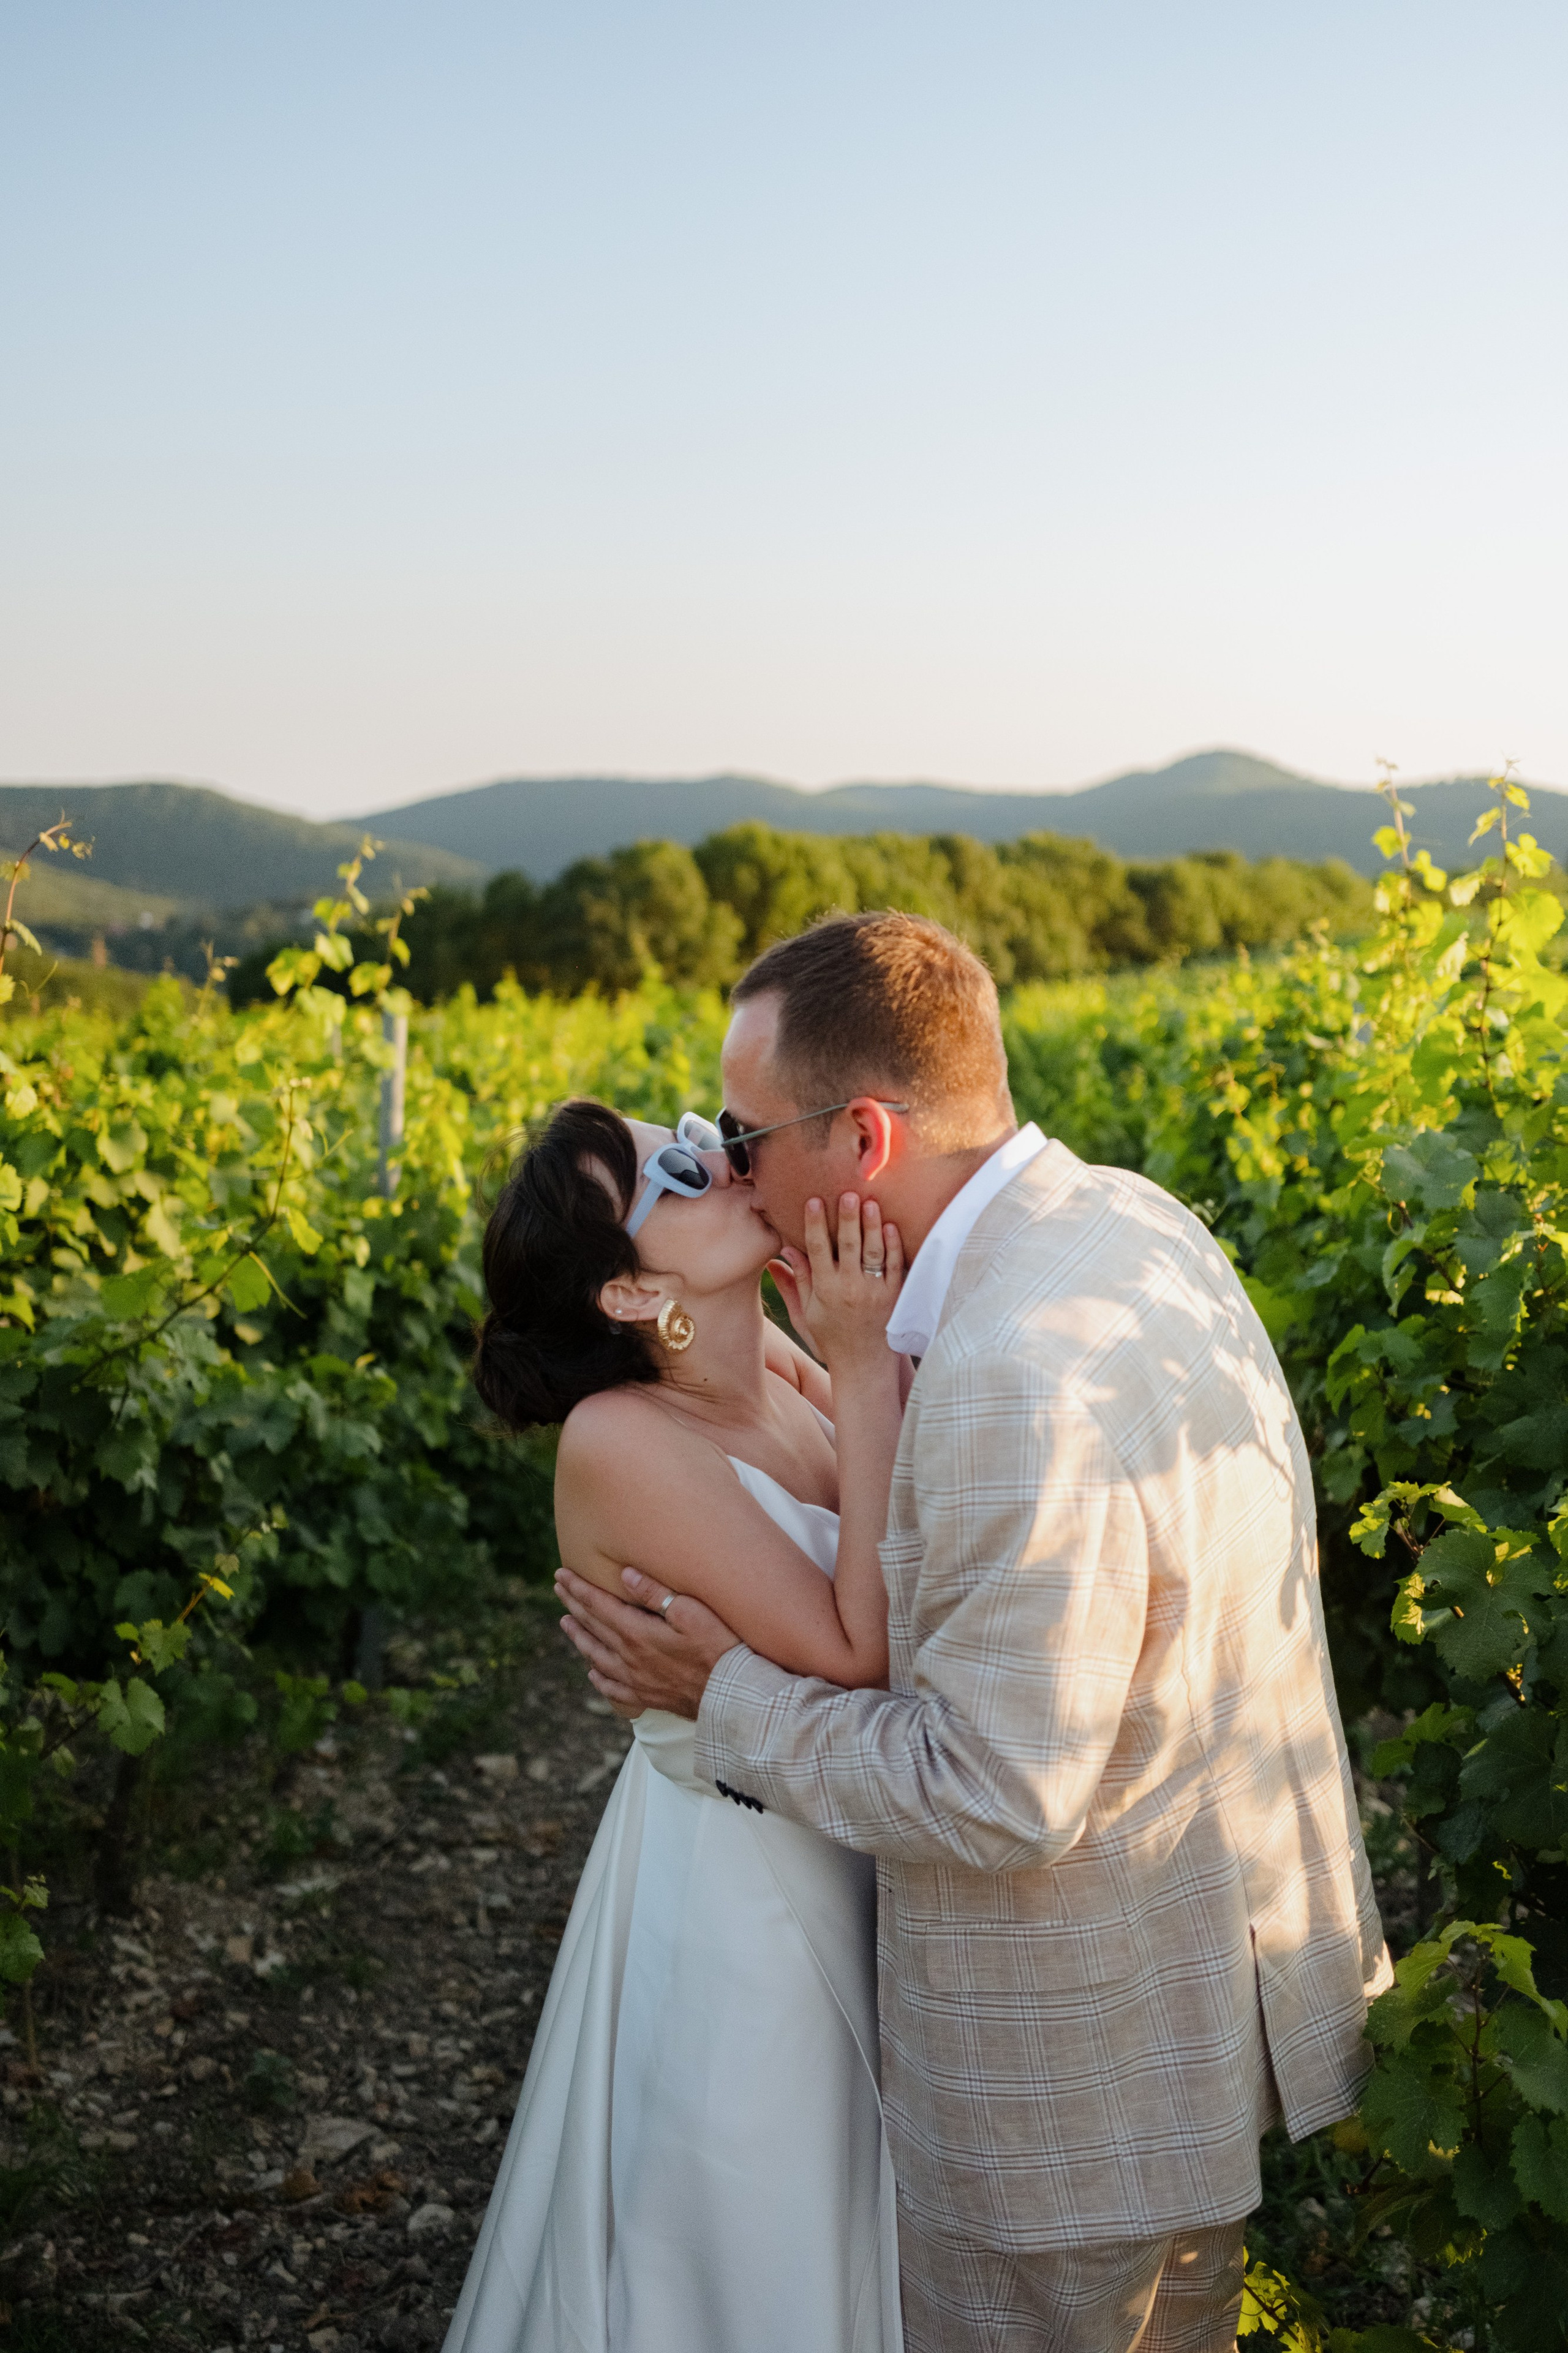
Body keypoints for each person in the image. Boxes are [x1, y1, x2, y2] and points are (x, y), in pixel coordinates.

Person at [557, 910, 1392, 2353]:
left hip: (1059, 2099)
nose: (733, 1171)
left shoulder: (1006, 1371)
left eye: (744, 1139)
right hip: (1183, 1995)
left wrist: (722, 1693)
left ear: (862, 1140)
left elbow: (1000, 1786)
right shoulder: (1130, 1221)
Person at [443, 1096, 909, 2353]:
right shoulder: (618, 1439)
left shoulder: (773, 1367)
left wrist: (851, 1358)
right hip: (745, 1903)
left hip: (855, 1834)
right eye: (678, 1173)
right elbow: (860, 1650)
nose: (723, 1158)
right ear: (631, 1296)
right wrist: (865, 1367)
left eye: (693, 1133)